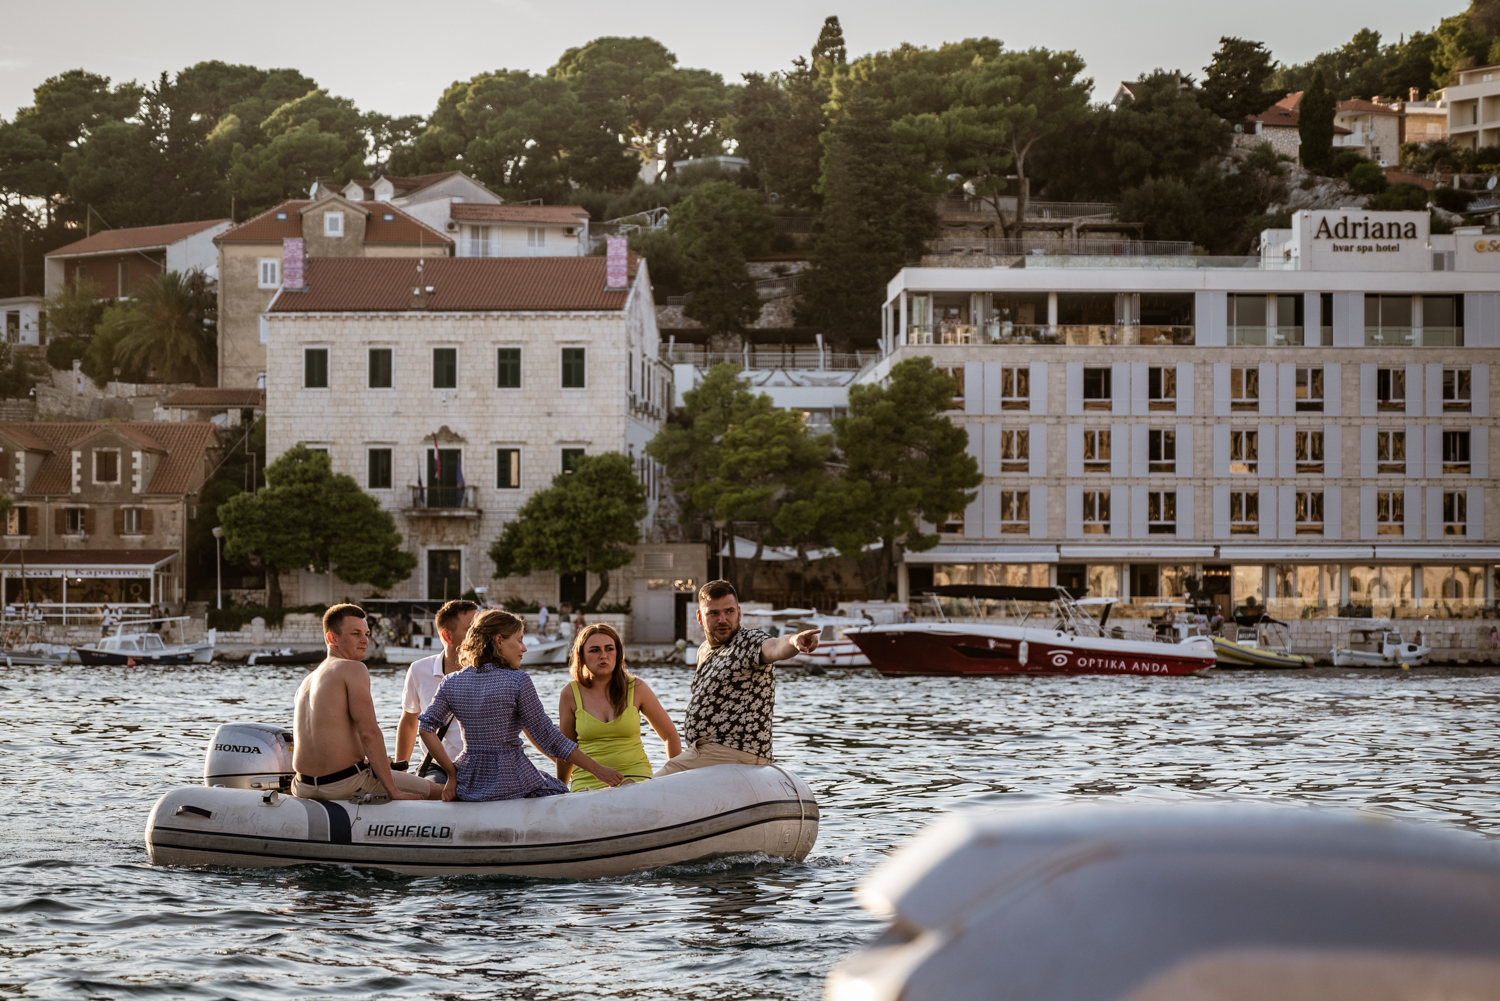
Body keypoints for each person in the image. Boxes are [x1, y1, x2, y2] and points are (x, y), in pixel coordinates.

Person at [418, 609, 623, 801]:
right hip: (512, 778)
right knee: (559, 790)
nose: (524, 648)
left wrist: (452, 774)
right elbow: (548, 736)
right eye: (519, 640)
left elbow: (425, 728)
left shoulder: (451, 681)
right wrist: (598, 770)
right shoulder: (517, 680)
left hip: (470, 780)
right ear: (499, 641)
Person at [656, 580, 818, 776]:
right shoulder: (703, 651)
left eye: (729, 612)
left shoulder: (748, 642)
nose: (722, 619)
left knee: (657, 782)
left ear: (739, 613)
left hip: (736, 750)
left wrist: (795, 640)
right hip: (706, 752)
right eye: (713, 613)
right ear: (700, 617)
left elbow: (775, 646)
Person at [291, 604, 442, 802]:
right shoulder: (353, 668)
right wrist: (393, 791)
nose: (364, 641)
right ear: (332, 638)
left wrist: (371, 761)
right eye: (355, 634)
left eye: (366, 633)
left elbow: (329, 739)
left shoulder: (307, 681)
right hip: (344, 784)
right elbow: (368, 733)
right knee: (443, 791)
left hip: (303, 786)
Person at [556, 623, 680, 791]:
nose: (603, 656)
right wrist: (560, 790)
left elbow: (670, 735)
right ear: (582, 656)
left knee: (630, 792)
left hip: (635, 778)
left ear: (618, 653)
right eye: (594, 650)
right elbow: (566, 750)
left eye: (609, 649)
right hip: (587, 783)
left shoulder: (636, 688)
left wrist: (675, 780)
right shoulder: (570, 694)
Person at [393, 598, 478, 783]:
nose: (479, 635)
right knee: (430, 790)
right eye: (472, 629)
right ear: (448, 636)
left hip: (481, 766)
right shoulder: (418, 670)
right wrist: (401, 774)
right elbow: (409, 722)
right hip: (437, 767)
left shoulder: (491, 672)